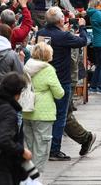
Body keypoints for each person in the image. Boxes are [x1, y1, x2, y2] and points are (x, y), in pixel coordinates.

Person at [37, 6, 88, 161]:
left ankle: (45, 147)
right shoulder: (64, 36)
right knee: (60, 115)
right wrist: (82, 26)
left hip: (43, 77)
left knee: (46, 115)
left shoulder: (41, 33)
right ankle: (54, 149)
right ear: (60, 20)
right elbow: (83, 41)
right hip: (61, 79)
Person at [23, 42, 64, 175]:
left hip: (27, 110)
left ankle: (27, 175)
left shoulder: (27, 66)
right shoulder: (47, 69)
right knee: (41, 147)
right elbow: (59, 93)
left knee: (29, 145)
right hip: (43, 113)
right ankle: (36, 177)